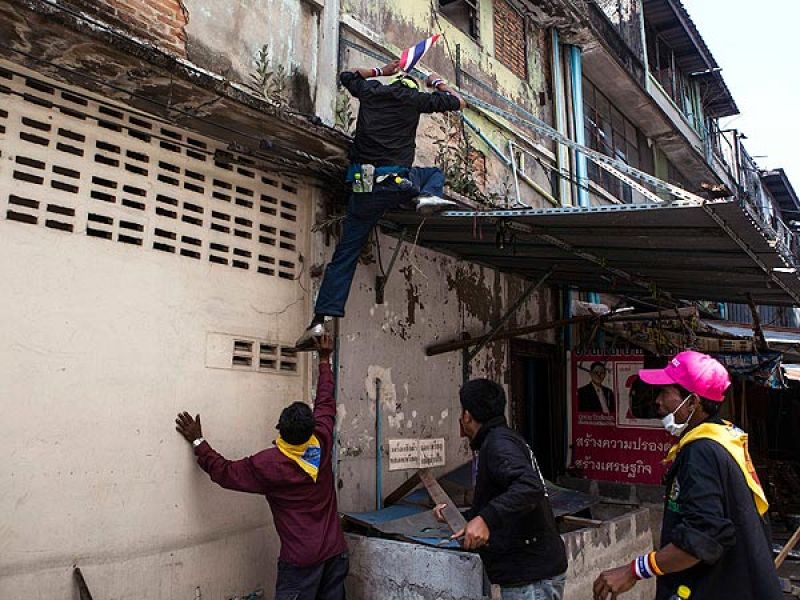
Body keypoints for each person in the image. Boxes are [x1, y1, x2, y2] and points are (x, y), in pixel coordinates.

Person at [295, 59, 465, 349]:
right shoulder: (415, 99)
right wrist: (437, 82)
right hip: (394, 182)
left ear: (392, 83)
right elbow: (457, 102)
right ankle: (425, 196)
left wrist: (381, 71)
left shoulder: (371, 91)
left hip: (362, 189)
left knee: (345, 256)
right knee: (433, 174)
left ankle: (320, 320)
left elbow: (346, 75)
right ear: (411, 90)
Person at [592, 350, 783, 600]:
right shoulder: (723, 438)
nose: (658, 402)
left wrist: (634, 570)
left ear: (693, 402)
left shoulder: (702, 451)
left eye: (665, 392)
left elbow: (704, 536)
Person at [174, 334, 348, 600]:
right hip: (335, 553)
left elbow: (224, 472)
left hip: (301, 564)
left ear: (280, 429)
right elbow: (326, 403)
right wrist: (324, 359)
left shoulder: (269, 465)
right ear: (311, 428)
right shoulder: (322, 440)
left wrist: (198, 441)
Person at [435, 379, 568, 599]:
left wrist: (485, 520)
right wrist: (462, 517)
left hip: (531, 576)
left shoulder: (498, 444)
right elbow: (506, 503)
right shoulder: (501, 440)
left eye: (461, 412)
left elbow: (529, 486)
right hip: (532, 570)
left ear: (467, 415)